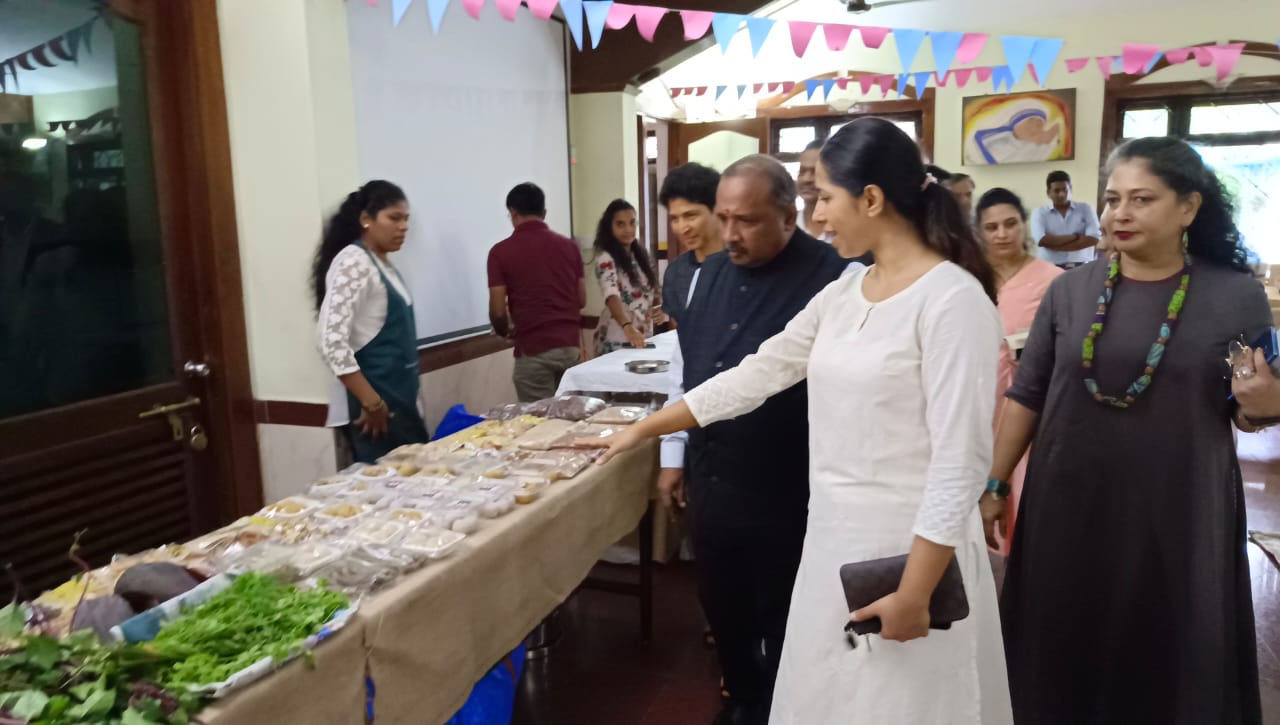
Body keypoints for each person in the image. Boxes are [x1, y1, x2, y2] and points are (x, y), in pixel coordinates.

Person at [594, 119, 1013, 725]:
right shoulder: (846, 293)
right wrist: (644, 428)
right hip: (832, 536)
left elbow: (960, 460)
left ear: (870, 199)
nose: (816, 218)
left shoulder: (952, 301)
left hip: (909, 549)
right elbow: (759, 373)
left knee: (898, 703)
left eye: (824, 199)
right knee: (830, 698)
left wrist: (918, 591)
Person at [985, 137, 1269, 724]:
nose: (1121, 213)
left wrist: (1264, 403)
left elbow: (1249, 406)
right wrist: (992, 485)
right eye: (1113, 199)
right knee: (1064, 640)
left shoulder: (1235, 294)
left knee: (1162, 648)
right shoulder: (1069, 291)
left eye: (1142, 199)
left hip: (1178, 509)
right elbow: (1027, 395)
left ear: (1188, 208)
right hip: (1069, 503)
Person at [654, 154, 846, 725]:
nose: (729, 234)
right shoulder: (707, 273)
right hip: (713, 478)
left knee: (786, 615)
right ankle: (740, 695)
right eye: (723, 217)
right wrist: (672, 456)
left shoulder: (834, 277)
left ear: (791, 215)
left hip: (788, 485)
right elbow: (687, 372)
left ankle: (783, 709)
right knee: (721, 605)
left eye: (747, 221)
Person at [313, 180, 429, 462]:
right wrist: (372, 402)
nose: (403, 227)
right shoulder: (355, 262)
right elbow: (330, 340)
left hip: (400, 399)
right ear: (366, 219)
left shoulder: (383, 264)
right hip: (376, 410)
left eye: (406, 219)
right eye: (394, 218)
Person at [975, 187, 1061, 556]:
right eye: (991, 227)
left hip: (1029, 404)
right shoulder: (968, 278)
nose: (1002, 234)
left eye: (1010, 224)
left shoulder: (1055, 280)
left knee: (1026, 495)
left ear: (1025, 225)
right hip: (977, 400)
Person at [487, 182, 585, 402]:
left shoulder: (500, 252)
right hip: (569, 347)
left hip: (533, 349)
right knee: (570, 419)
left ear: (513, 213)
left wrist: (505, 332)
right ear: (544, 212)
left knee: (539, 426)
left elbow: (498, 311)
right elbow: (581, 299)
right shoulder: (570, 247)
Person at [660, 163, 724, 327]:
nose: (683, 228)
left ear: (717, 210)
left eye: (691, 216)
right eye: (675, 219)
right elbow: (679, 330)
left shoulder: (742, 265)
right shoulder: (676, 272)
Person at [592, 199, 658, 355]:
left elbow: (654, 289)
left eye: (632, 223)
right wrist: (627, 326)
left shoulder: (642, 256)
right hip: (619, 334)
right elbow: (611, 294)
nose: (628, 229)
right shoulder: (606, 257)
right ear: (610, 227)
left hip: (643, 333)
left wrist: (657, 308)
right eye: (620, 224)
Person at [1029, 170, 1101, 269]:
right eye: (1057, 191)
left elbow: (1094, 239)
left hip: (1082, 267)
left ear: (1070, 189)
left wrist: (1054, 245)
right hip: (1049, 268)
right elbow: (1042, 241)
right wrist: (1075, 236)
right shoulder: (1039, 213)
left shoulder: (1086, 209)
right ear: (1048, 193)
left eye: (1065, 190)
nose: (1062, 194)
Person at [795, 140, 831, 240]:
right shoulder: (789, 225)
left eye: (815, 172)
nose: (806, 179)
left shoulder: (844, 229)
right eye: (801, 172)